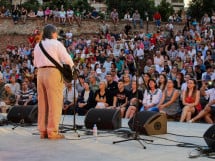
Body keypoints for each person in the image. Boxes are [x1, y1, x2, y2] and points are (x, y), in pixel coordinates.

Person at [33, 24, 74, 140]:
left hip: (40, 73)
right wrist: (71, 70)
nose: (57, 35)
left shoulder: (38, 45)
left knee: (43, 103)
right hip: (53, 73)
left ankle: (43, 131)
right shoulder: (56, 44)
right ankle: (52, 132)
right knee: (55, 102)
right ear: (53, 33)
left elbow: (35, 63)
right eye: (56, 33)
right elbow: (67, 60)